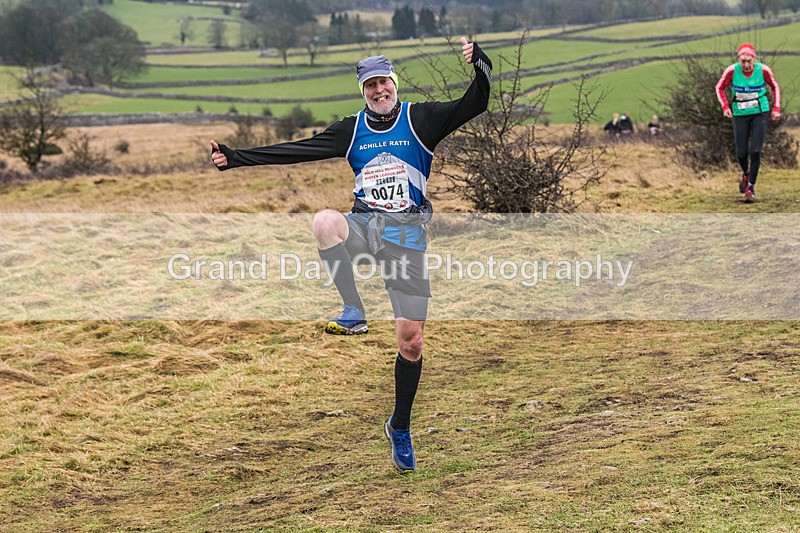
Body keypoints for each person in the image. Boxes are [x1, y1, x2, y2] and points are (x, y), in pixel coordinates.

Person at [209, 37, 492, 472]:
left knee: (412, 342)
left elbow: (476, 102)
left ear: (394, 83)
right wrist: (237, 158)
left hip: (405, 239)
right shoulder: (351, 130)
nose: (379, 91)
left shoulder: (422, 119)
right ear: (363, 92)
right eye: (370, 86)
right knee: (325, 221)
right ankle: (353, 310)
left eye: (383, 82)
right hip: (363, 227)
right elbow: (296, 151)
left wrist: (480, 64)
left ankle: (400, 426)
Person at [716, 42, 781, 203]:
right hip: (740, 114)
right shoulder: (732, 71)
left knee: (756, 151)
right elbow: (719, 87)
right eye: (743, 61)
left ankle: (750, 188)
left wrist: (776, 108)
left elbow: (775, 87)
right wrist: (725, 107)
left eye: (749, 61)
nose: (746, 65)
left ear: (754, 60)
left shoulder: (763, 70)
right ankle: (746, 172)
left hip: (760, 112)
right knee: (741, 153)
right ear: (739, 60)